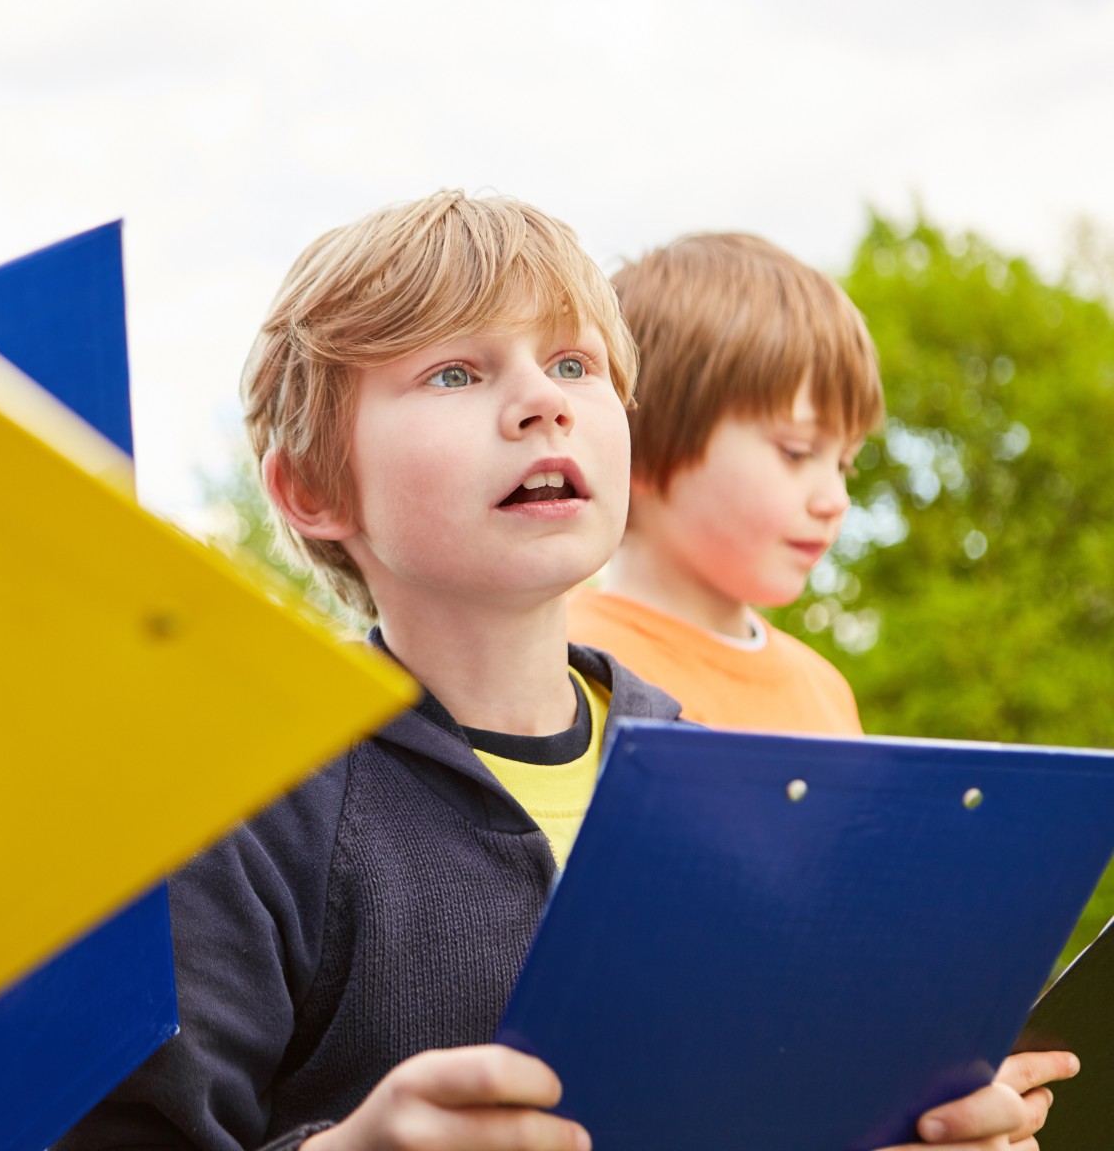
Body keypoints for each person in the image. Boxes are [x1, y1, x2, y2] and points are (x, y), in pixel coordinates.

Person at [57, 193, 1069, 1151]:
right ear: (315, 488)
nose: (543, 401)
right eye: (457, 373)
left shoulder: (734, 783)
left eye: (577, 364)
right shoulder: (245, 805)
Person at [567, 232, 878, 736]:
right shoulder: (567, 673)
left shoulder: (825, 689)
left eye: (845, 463)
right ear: (639, 452)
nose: (835, 501)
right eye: (796, 453)